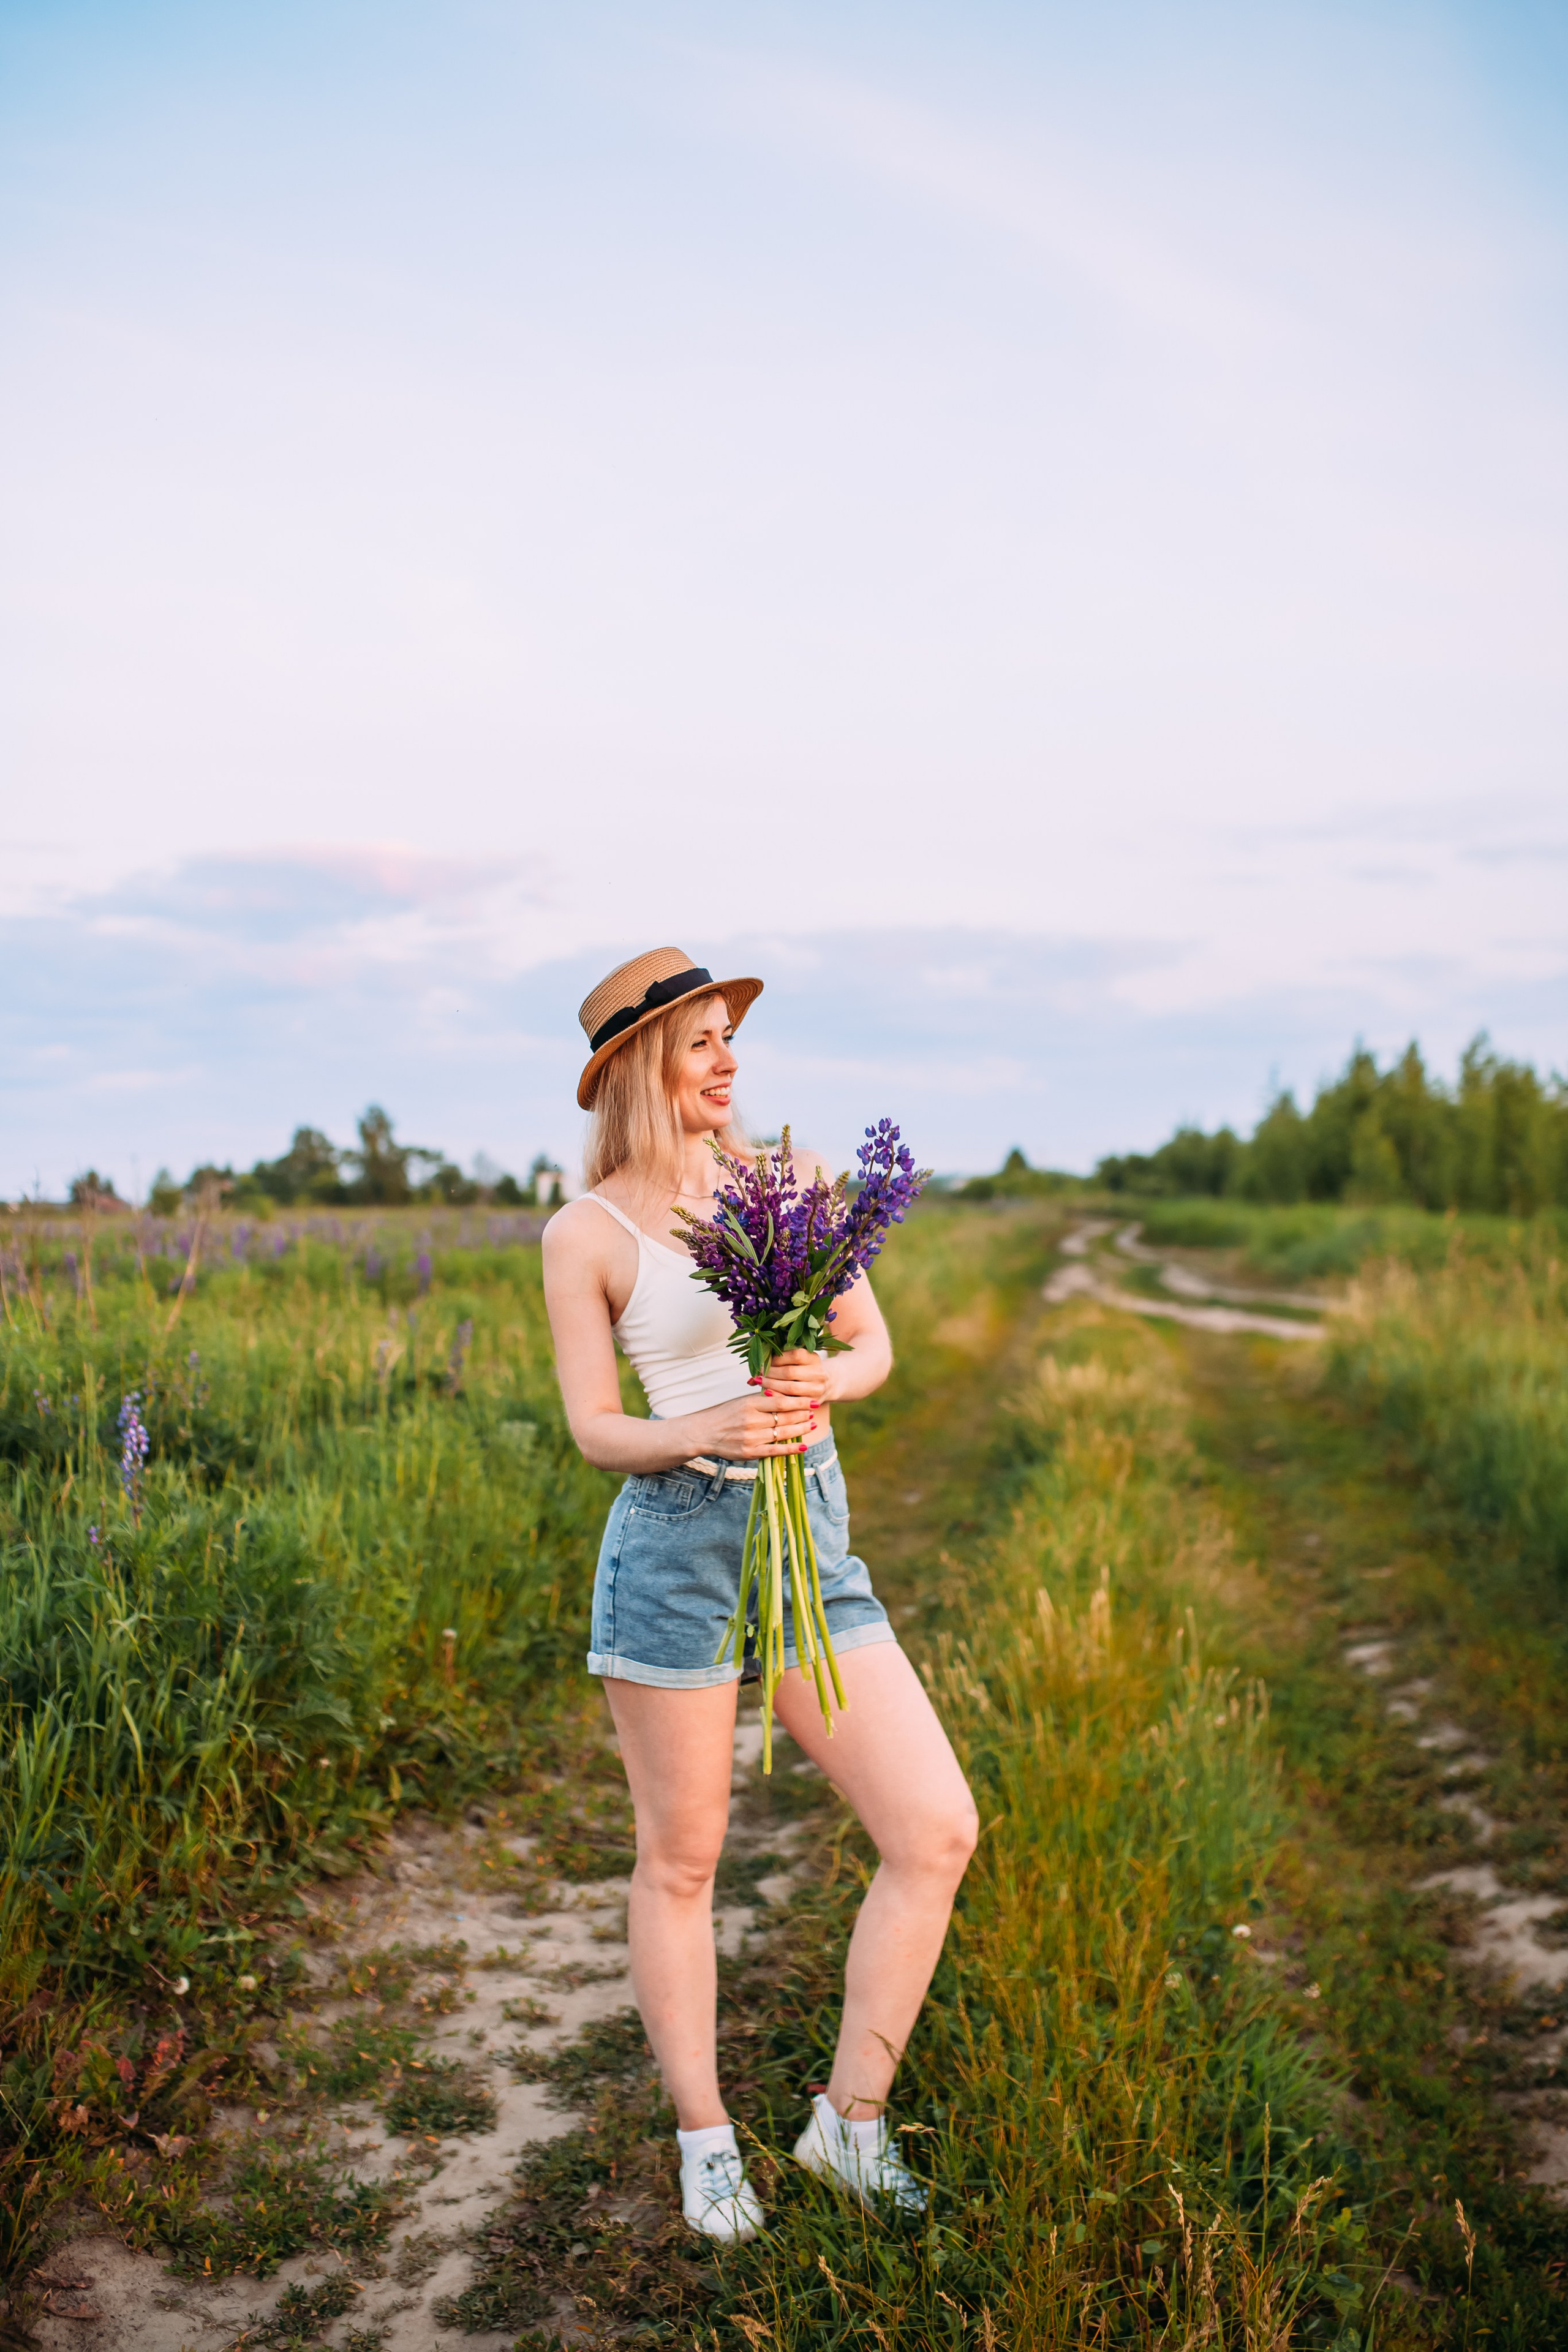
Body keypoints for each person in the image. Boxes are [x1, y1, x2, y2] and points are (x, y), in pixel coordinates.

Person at [541, 947, 979, 2242]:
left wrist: (816, 1388)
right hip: (676, 1546)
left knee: (934, 1828)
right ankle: (705, 2138)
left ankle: (846, 2123)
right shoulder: (588, 1231)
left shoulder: (785, 1185)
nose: (729, 1060)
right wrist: (713, 1422)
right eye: (701, 1041)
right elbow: (593, 1430)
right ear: (637, 1065)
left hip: (809, 1547)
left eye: (731, 1036)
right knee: (681, 1860)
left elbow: (869, 1346)